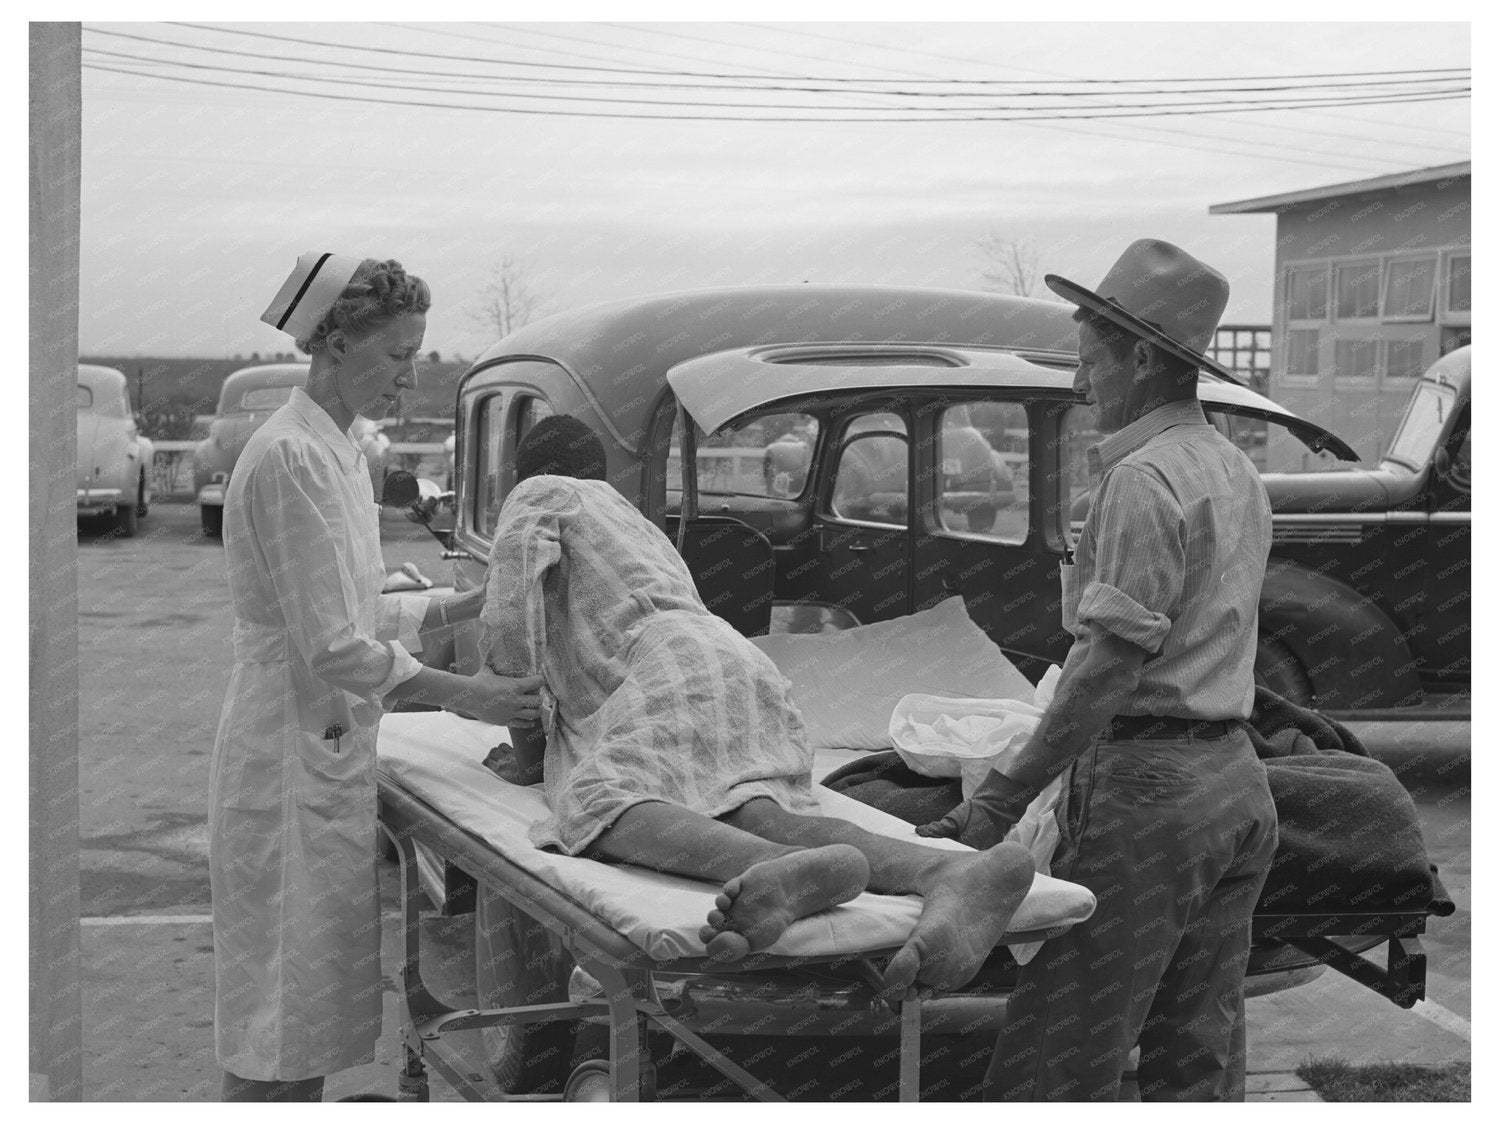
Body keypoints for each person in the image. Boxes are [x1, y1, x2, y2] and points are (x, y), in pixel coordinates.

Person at [479, 415, 1035, 999]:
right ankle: (948, 870)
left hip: (664, 667)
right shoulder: (629, 520)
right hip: (738, 667)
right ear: (600, 470)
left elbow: (509, 630)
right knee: (749, 805)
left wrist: (528, 758)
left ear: (525, 471)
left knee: (598, 802)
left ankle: (776, 866)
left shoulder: (537, 495)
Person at [918, 239, 1279, 1101]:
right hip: (1236, 785)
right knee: (1197, 1048)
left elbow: (1106, 667)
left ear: (1144, 356)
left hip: (1150, 798)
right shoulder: (1234, 469)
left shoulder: (1141, 480)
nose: (1082, 386)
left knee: (1062, 1053)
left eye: (1091, 363)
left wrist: (998, 801)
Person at [209, 253, 544, 1102]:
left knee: (304, 1013)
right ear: (334, 344)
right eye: (397, 355)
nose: (409, 376)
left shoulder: (339, 452)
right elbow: (332, 648)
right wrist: (476, 698)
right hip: (286, 752)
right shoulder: (291, 459)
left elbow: (359, 612)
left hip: (319, 746)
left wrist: (469, 604)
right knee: (277, 1025)